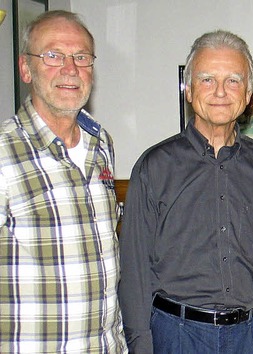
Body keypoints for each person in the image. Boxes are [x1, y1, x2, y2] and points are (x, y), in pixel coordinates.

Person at [117, 30, 253, 354]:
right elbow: (134, 274)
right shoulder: (154, 167)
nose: (220, 91)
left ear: (248, 95)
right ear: (188, 90)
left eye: (233, 81)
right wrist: (140, 345)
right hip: (175, 336)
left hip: (251, 337)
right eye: (207, 80)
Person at [0, 10, 127, 353]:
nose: (70, 69)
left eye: (81, 57)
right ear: (25, 68)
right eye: (53, 55)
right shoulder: (4, 152)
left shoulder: (102, 145)